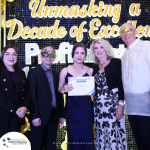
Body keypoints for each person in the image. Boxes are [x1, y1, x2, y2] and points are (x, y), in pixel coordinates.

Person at [91, 39, 127, 150]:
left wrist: (121, 105)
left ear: (106, 48)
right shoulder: (94, 67)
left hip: (114, 105)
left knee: (116, 133)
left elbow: (121, 84)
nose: (99, 50)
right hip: (99, 108)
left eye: (101, 47)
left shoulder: (116, 62)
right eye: (96, 48)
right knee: (101, 134)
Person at [28, 45, 65, 150]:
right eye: (45, 54)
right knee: (38, 146)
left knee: (51, 146)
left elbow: (59, 95)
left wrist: (61, 115)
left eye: (51, 54)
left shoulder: (57, 74)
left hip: (54, 115)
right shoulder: (34, 72)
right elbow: (31, 95)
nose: (48, 57)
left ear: (55, 56)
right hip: (39, 116)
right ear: (40, 55)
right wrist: (35, 115)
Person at [120, 23, 150, 150]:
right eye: (122, 32)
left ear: (135, 32)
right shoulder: (123, 56)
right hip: (131, 109)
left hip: (147, 106)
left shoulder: (147, 46)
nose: (126, 34)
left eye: (129, 30)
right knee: (140, 143)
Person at [58, 43, 94, 150]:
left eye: (82, 53)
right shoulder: (65, 71)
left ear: (85, 55)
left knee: (87, 138)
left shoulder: (90, 71)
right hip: (72, 110)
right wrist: (64, 89)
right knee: (74, 139)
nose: (79, 55)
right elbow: (59, 88)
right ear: (72, 54)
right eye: (77, 53)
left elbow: (96, 90)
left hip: (86, 109)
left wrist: (92, 90)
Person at [0, 45, 30, 138]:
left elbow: (27, 93)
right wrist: (15, 109)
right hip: (3, 115)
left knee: (14, 144)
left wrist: (25, 107)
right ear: (2, 56)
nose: (11, 57)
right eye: (7, 54)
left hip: (18, 116)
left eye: (14, 54)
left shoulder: (21, 73)